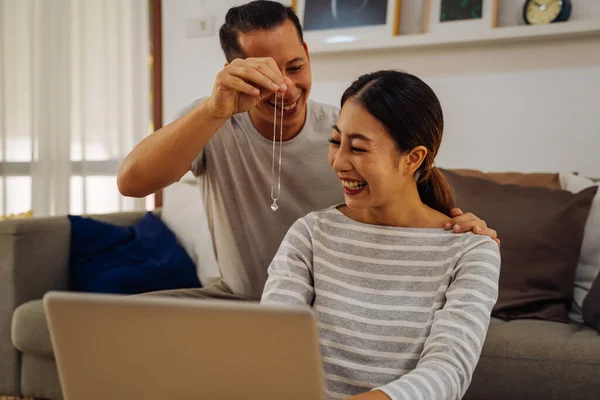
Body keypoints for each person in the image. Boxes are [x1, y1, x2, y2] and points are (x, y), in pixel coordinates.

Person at [118, 0, 499, 301]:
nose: (285, 88)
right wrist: (213, 109)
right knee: (122, 327)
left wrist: (460, 230)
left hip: (329, 306)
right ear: (233, 71)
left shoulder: (346, 133)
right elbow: (133, 182)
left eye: (296, 67)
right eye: (264, 75)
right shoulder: (211, 121)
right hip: (240, 299)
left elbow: (411, 195)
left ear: (307, 53)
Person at [261, 70, 501, 400]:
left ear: (413, 159)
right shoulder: (310, 234)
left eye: (358, 148)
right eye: (335, 142)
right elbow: (272, 343)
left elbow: (448, 371)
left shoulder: (472, 250)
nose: (339, 162)